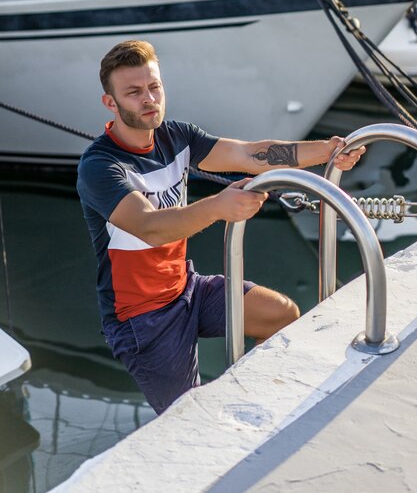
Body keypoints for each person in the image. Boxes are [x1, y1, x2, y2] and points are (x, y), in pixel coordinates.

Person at [77, 39, 365, 415]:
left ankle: (250, 409)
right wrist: (218, 206)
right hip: (141, 318)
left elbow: (250, 154)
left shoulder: (174, 135)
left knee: (282, 315)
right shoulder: (100, 167)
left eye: (154, 87)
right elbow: (149, 227)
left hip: (187, 288)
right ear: (110, 103)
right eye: (134, 92)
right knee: (188, 420)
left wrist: (327, 151)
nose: (149, 99)